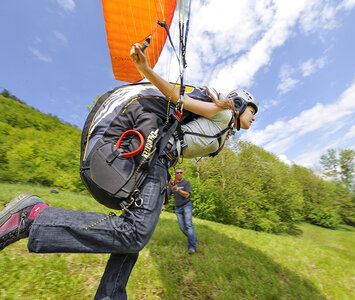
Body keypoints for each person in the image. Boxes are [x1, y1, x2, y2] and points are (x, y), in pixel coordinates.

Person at [0, 43, 258, 299]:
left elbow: (180, 137)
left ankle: (110, 295)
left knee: (133, 231)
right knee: (135, 234)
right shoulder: (222, 114)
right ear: (239, 103)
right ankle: (34, 217)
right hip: (153, 157)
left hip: (160, 161)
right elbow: (177, 98)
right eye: (252, 110)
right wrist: (145, 69)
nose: (254, 118)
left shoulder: (223, 133)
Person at [166, 167, 198, 254]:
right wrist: (162, 204)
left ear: (182, 173)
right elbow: (167, 195)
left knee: (188, 225)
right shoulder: (172, 184)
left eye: (180, 172)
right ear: (175, 174)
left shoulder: (187, 183)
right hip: (178, 208)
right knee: (182, 228)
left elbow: (186, 195)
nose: (179, 174)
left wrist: (177, 189)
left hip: (187, 206)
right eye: (177, 173)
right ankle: (194, 239)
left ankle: (192, 247)